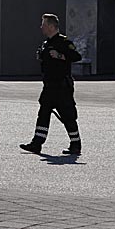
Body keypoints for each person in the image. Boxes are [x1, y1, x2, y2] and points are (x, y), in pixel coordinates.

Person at [20, 14, 83, 155]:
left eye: (43, 24)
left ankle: (75, 144)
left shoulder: (63, 42)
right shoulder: (46, 43)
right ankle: (37, 143)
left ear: (51, 26)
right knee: (43, 113)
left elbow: (76, 56)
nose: (41, 27)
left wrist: (60, 56)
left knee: (68, 116)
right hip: (49, 86)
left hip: (62, 86)